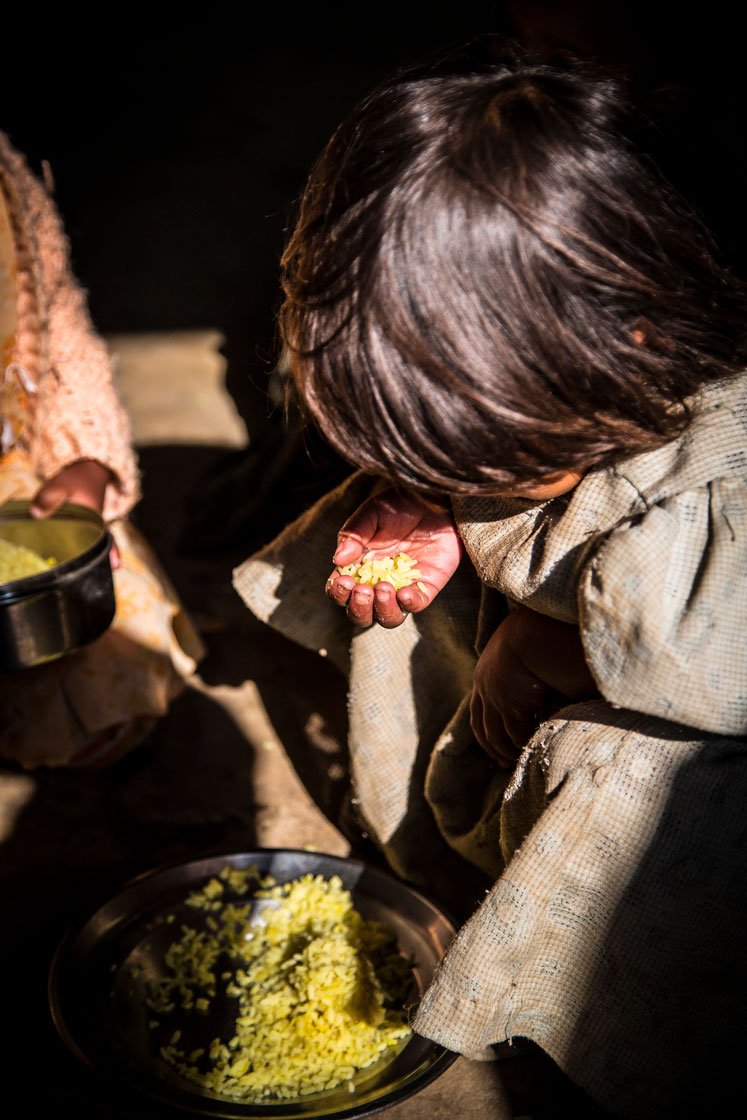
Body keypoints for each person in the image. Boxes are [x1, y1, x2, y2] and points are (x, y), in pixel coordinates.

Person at [233, 43, 747, 1119]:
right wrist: (421, 503)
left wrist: (552, 648)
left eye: (469, 460)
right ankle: (446, 843)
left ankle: (572, 1000)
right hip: (598, 606)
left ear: (622, 355)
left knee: (629, 803)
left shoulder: (721, 486)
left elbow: (711, 669)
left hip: (706, 719)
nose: (442, 485)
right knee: (383, 580)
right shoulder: (581, 354)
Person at [0, 129, 204, 769]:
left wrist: (84, 463)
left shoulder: (8, 200)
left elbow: (64, 345)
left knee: (126, 640)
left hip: (18, 468)